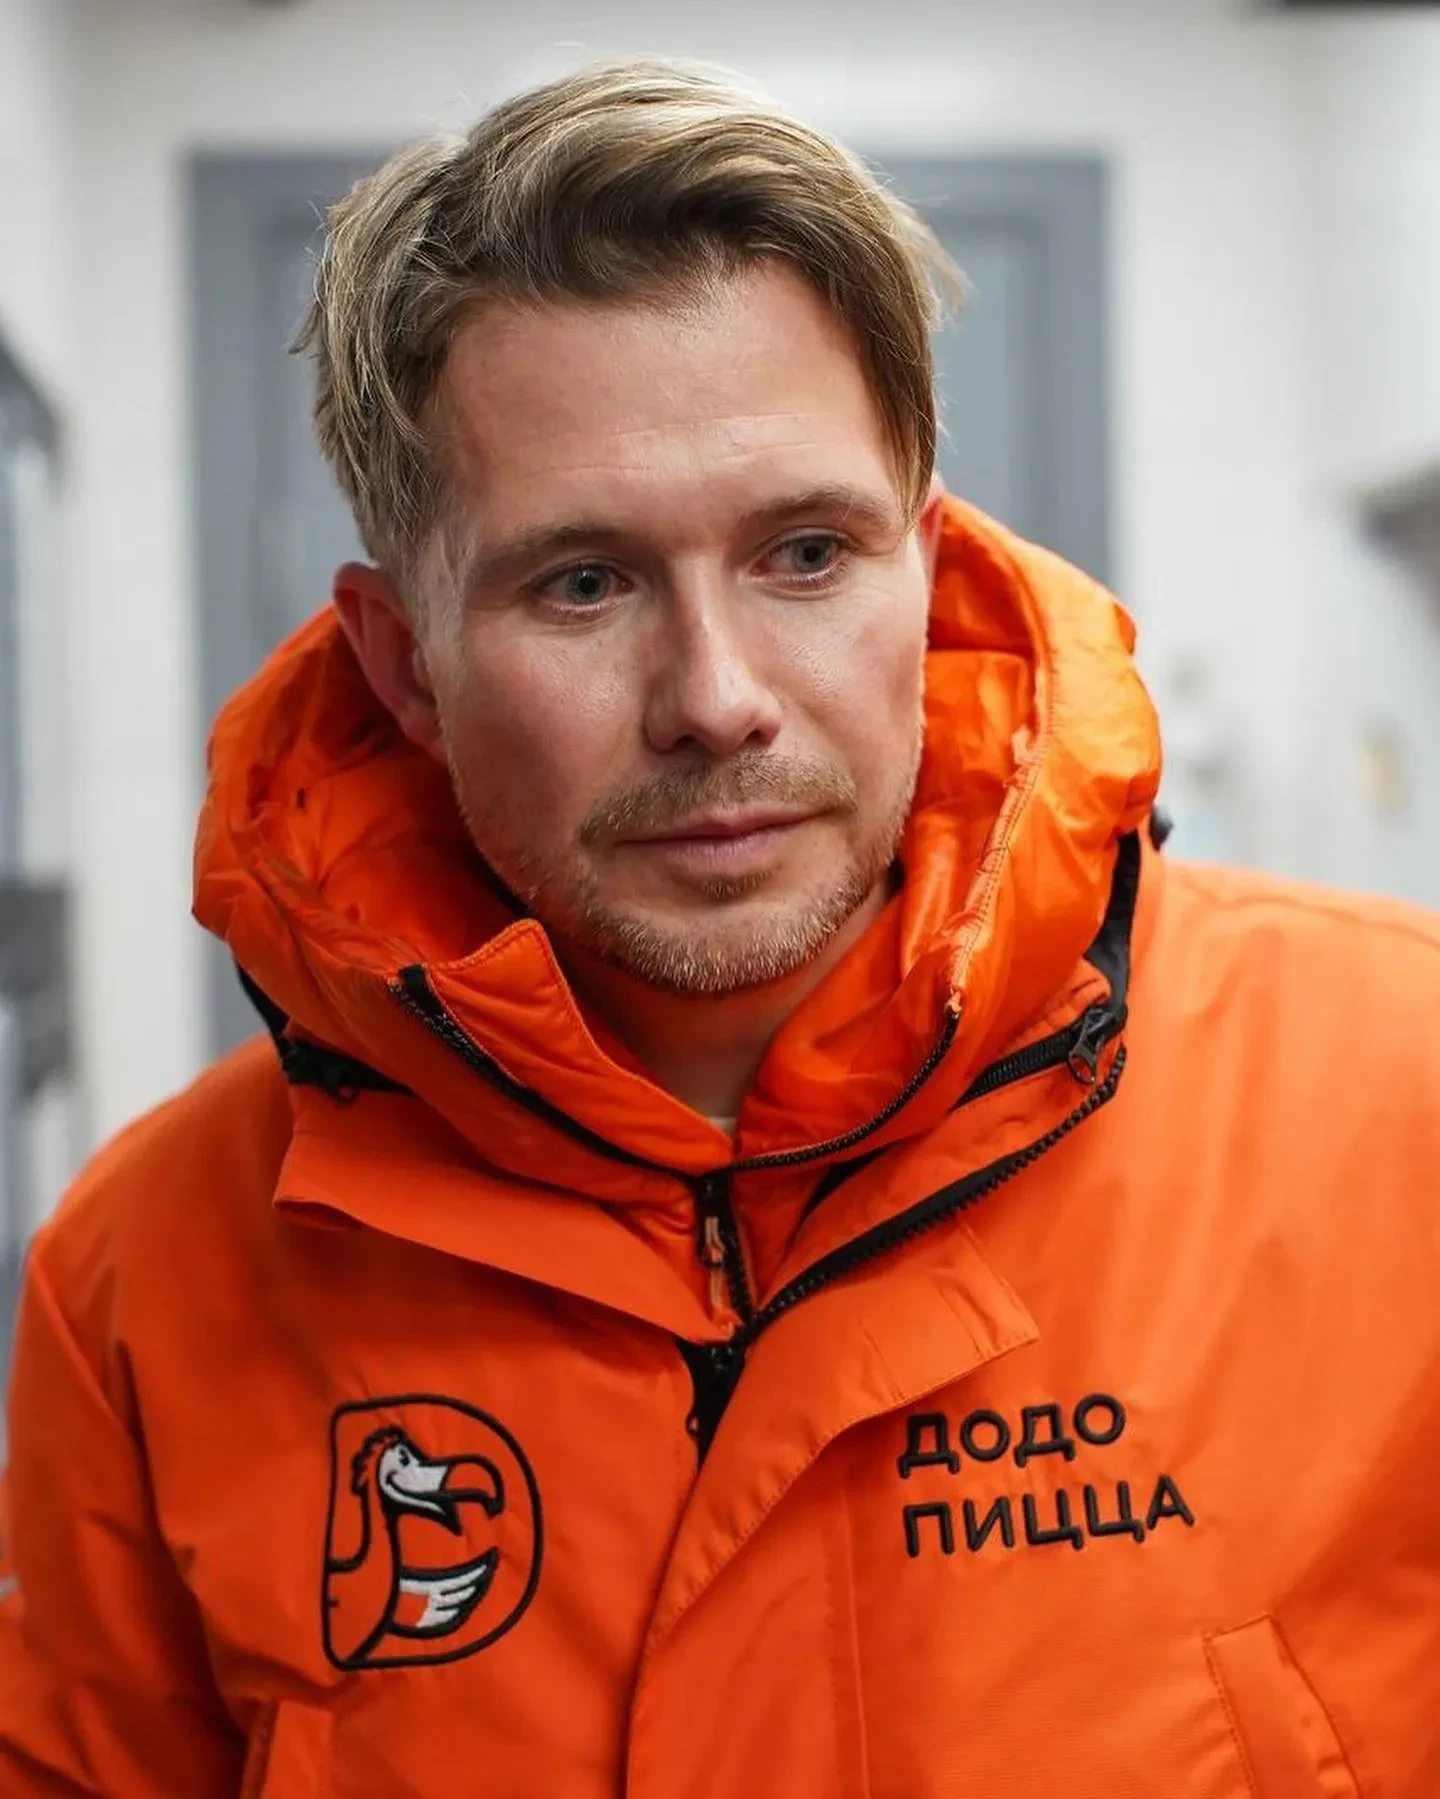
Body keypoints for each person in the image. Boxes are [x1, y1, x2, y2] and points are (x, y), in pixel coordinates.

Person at [2, 58, 1437, 1799]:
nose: (716, 698)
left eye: (806, 554)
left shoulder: (1399, 1094)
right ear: (405, 665)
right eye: (582, 583)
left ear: (925, 565)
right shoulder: (149, 1277)